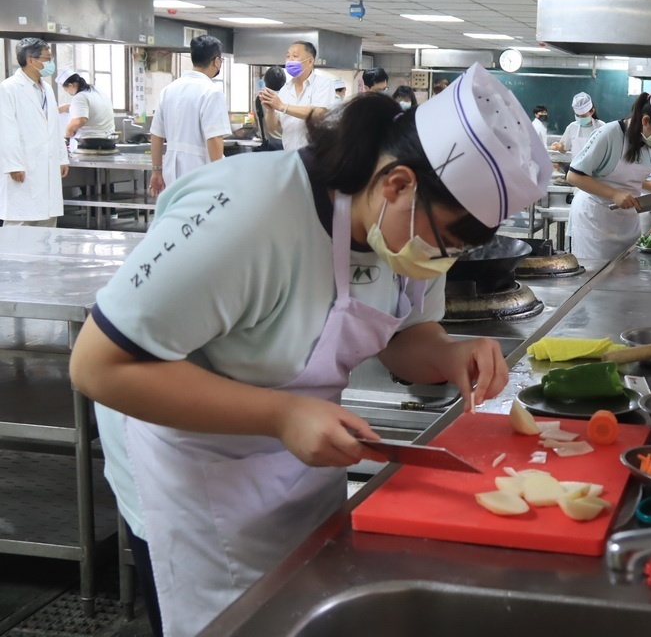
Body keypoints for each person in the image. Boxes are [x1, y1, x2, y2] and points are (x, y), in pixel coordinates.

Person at [69, 62, 551, 637]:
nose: (441, 261)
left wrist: (448, 354)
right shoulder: (250, 214)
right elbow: (100, 365)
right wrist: (282, 414)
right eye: (446, 242)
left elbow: (404, 336)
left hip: (301, 457)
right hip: (193, 471)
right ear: (397, 183)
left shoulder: (403, 227)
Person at [565, 83, 651, 262]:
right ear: (646, 121)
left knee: (626, 273)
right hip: (595, 219)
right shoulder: (610, 134)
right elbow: (574, 176)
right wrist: (614, 194)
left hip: (626, 220)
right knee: (595, 279)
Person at [148, 35, 232, 197]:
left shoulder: (169, 90)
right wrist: (219, 175)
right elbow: (214, 138)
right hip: (202, 173)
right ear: (216, 61)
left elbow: (156, 135)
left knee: (180, 217)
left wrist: (157, 171)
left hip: (172, 173)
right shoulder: (211, 92)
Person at [0, 38, 69, 226]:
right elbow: (6, 130)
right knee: (20, 223)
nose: (50, 63)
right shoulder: (9, 88)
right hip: (24, 166)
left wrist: (62, 158)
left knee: (47, 222)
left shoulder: (47, 89)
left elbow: (54, 127)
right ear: (31, 60)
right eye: (47, 59)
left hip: (47, 164)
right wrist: (13, 164)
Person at [258, 41, 338, 151]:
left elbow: (319, 114)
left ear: (310, 61)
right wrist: (271, 110)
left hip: (317, 156)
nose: (290, 60)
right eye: (288, 56)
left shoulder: (323, 84)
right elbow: (272, 127)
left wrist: (282, 106)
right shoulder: (285, 90)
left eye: (295, 56)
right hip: (291, 155)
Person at [58, 69, 116, 145]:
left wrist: (67, 133)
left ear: (70, 85)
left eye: (66, 90)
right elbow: (89, 107)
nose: (68, 93)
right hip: (108, 141)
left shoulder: (80, 97)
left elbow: (79, 121)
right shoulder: (96, 90)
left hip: (89, 143)